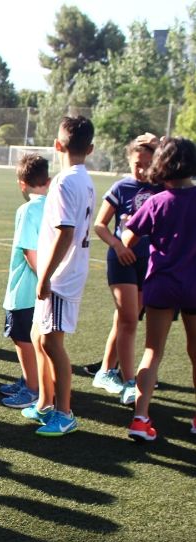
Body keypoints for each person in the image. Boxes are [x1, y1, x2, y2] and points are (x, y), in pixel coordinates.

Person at [23, 116, 96, 436]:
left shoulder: (66, 181)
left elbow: (65, 233)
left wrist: (45, 275)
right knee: (39, 337)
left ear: (57, 145)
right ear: (90, 148)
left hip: (62, 277)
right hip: (64, 274)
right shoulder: (83, 178)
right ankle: (44, 403)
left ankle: (64, 413)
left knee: (52, 343)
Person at [121, 137, 196, 442]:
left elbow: (128, 240)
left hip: (161, 284)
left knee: (152, 351)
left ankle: (139, 419)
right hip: (194, 284)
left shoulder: (156, 201)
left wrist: (131, 224)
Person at [91, 133, 161, 404]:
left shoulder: (161, 188)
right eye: (137, 164)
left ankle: (106, 370)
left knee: (125, 319)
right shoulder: (121, 188)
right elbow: (100, 225)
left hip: (149, 263)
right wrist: (118, 245)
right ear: (129, 161)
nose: (142, 170)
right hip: (121, 261)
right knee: (130, 319)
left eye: (148, 164)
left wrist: (159, 143)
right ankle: (129, 382)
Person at [0, 154, 50, 408]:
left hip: (26, 288)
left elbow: (29, 250)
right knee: (30, 337)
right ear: (48, 180)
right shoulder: (52, 206)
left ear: (22, 183)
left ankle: (32, 389)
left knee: (22, 338)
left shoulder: (28, 209)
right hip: (41, 288)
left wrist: (43, 278)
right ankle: (29, 379)